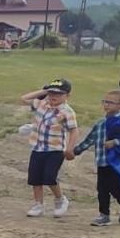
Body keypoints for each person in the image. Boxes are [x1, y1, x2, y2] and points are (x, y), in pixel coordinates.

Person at [20, 79, 78, 217]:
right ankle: (38, 205)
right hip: (38, 147)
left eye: (58, 94)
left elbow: (74, 130)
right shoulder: (42, 104)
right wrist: (44, 91)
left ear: (67, 96)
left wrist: (70, 148)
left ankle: (60, 199)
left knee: (50, 177)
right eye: (51, 93)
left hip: (55, 149)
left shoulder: (67, 112)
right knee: (35, 178)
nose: (53, 96)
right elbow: (24, 98)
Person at [74, 90, 120, 225]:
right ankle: (104, 215)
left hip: (116, 163)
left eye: (110, 102)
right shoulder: (101, 122)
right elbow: (90, 139)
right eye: (105, 101)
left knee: (117, 189)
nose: (106, 105)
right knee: (102, 190)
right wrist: (77, 150)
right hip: (102, 162)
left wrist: (115, 142)